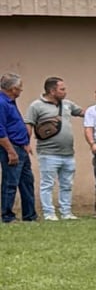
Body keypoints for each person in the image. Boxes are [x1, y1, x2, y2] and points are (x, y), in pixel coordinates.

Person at [27, 76, 81, 220]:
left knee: (67, 184)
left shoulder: (68, 104)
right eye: (62, 89)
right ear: (52, 91)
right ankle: (49, 213)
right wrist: (26, 144)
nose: (65, 92)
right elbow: (29, 124)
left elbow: (82, 112)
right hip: (48, 153)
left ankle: (66, 212)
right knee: (47, 184)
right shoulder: (36, 106)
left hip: (68, 153)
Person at [0, 72, 38, 224]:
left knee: (27, 181)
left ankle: (30, 215)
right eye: (20, 87)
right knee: (10, 182)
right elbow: (1, 130)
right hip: (11, 148)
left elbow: (14, 124)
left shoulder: (10, 101)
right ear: (13, 88)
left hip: (21, 147)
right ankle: (7, 216)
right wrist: (10, 151)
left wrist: (25, 144)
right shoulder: (2, 103)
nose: (21, 91)